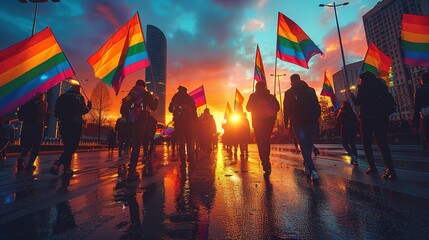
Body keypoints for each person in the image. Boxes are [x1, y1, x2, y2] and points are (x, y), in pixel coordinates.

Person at [351, 71, 397, 180]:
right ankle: (390, 169)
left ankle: (372, 167)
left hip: (367, 118)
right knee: (382, 143)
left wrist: (352, 96)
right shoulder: (381, 85)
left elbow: (358, 102)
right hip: (382, 117)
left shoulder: (363, 87)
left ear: (363, 79)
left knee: (367, 144)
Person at [283, 74, 321, 181]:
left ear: (291, 81)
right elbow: (317, 106)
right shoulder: (311, 90)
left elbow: (286, 109)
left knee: (304, 145)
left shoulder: (289, 93)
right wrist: (315, 118)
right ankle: (307, 166)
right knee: (308, 144)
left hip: (297, 123)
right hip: (311, 122)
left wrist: (286, 123)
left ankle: (312, 169)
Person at [50, 82, 92, 177]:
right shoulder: (79, 97)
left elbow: (56, 113)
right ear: (78, 90)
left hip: (63, 125)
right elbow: (83, 110)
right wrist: (89, 106)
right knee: (71, 147)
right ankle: (58, 163)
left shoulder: (62, 97)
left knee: (67, 147)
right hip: (75, 125)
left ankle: (66, 169)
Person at [122, 80, 158, 180]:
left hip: (130, 122)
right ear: (143, 86)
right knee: (137, 145)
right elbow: (153, 107)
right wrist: (156, 100)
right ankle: (132, 169)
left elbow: (124, 105)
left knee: (133, 143)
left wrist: (125, 117)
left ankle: (130, 163)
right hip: (140, 122)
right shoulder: (146, 94)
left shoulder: (131, 93)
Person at [246, 81, 279, 177]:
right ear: (264, 87)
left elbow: (248, 108)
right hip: (269, 123)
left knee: (261, 143)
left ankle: (265, 164)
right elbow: (278, 108)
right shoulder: (271, 96)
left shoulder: (253, 96)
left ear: (256, 87)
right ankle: (266, 160)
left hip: (258, 123)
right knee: (266, 141)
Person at [16, 92, 48, 171]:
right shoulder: (43, 104)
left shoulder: (27, 103)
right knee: (36, 144)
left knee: (28, 143)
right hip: (37, 125)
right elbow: (41, 114)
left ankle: (21, 157)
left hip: (26, 125)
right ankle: (30, 163)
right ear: (42, 96)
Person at [168, 86, 198, 163]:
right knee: (189, 140)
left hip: (178, 123)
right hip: (188, 123)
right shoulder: (189, 97)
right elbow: (194, 110)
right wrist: (195, 121)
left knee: (181, 141)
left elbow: (170, 109)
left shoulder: (175, 97)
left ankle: (182, 159)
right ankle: (190, 157)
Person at [413, 72, 429, 150]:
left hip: (426, 118)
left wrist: (415, 124)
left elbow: (417, 108)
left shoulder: (420, 91)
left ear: (422, 80)